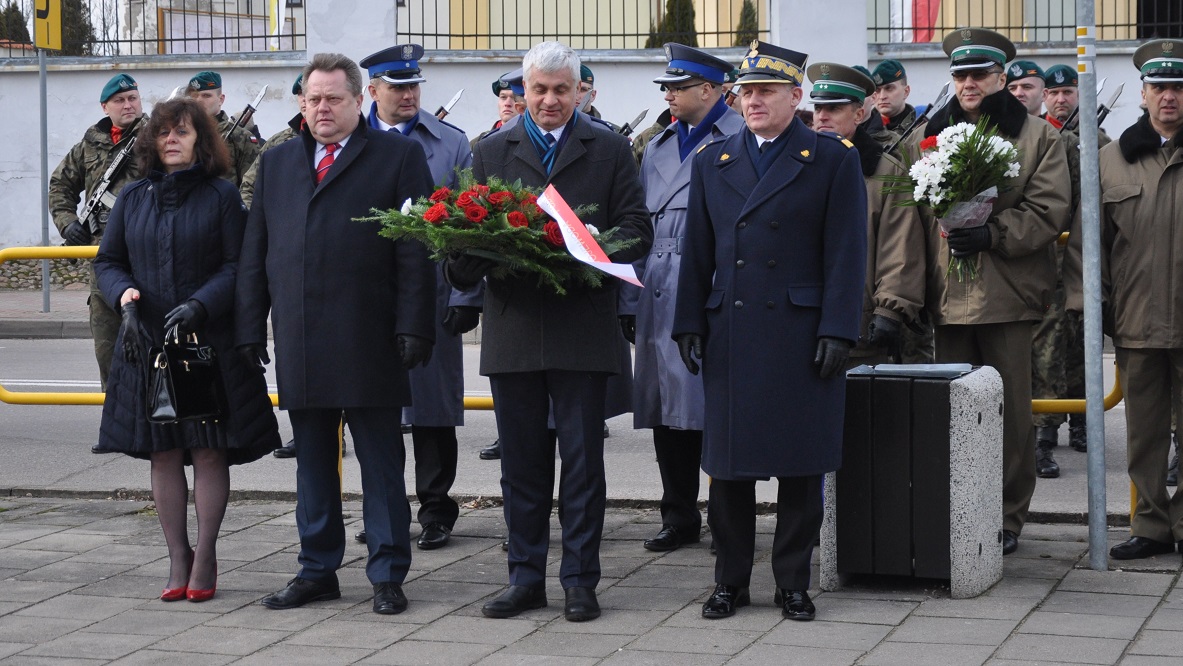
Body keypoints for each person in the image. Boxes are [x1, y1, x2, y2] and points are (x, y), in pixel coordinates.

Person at [446, 41, 651, 622]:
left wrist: (587, 247)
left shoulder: (609, 149)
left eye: (562, 89)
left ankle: (581, 580)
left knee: (584, 464)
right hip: (514, 329)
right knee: (521, 465)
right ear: (522, 92)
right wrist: (463, 260)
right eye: (539, 89)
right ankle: (525, 578)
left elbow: (638, 229)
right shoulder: (490, 151)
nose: (550, 100)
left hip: (583, 327)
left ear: (580, 91)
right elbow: (470, 228)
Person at [672, 40, 867, 622]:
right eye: (746, 91)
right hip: (732, 328)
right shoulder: (714, 160)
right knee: (729, 470)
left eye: (766, 91)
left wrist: (838, 328)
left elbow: (846, 253)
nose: (752, 101)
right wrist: (688, 322)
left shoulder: (832, 158)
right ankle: (729, 580)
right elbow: (696, 252)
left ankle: (792, 582)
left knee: (800, 468)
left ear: (795, 96)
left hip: (801, 333)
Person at [236, 52, 437, 615]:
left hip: (371, 339)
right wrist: (250, 326)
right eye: (312, 99)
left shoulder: (398, 156)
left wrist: (416, 325)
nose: (322, 108)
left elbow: (417, 250)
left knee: (379, 463)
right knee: (313, 463)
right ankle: (316, 568)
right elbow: (258, 251)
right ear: (301, 104)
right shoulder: (277, 163)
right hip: (301, 338)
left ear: (358, 100)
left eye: (333, 98)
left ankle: (388, 573)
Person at [92, 97, 280, 603]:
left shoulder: (221, 196)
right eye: (163, 132)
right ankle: (177, 555)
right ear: (152, 141)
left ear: (200, 139)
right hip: (148, 342)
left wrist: (201, 304)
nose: (171, 139)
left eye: (183, 131)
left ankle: (208, 554)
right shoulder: (131, 198)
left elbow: (237, 264)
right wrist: (124, 297)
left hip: (205, 343)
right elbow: (108, 262)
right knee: (164, 453)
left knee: (208, 450)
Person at [919, 28, 1070, 556]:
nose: (968, 83)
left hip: (1008, 293)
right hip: (947, 295)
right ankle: (957, 507)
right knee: (949, 414)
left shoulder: (1036, 135)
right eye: (960, 75)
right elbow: (914, 214)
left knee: (1008, 414)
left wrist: (993, 234)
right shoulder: (935, 133)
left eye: (979, 74)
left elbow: (1050, 209)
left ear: (1001, 78)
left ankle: (1007, 515)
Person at [355, 43, 481, 550]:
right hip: (366, 294)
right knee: (373, 406)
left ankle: (435, 510)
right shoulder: (350, 141)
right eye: (397, 86)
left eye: (413, 85)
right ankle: (384, 508)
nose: (408, 94)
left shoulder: (449, 143)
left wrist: (466, 292)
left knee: (432, 408)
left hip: (432, 288)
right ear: (373, 91)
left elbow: (472, 218)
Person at [1065, 40, 1183, 560]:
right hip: (1137, 319)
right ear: (1143, 93)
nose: (1169, 98)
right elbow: (1090, 247)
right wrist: (1092, 310)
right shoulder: (1110, 161)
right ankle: (1151, 526)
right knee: (1145, 433)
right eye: (1159, 88)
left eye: (1178, 88)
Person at [626, 43, 744, 553]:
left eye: (679, 87)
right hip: (656, 285)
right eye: (667, 88)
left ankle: (726, 518)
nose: (670, 96)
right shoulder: (658, 145)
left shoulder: (741, 138)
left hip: (711, 282)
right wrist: (629, 300)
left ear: (711, 90)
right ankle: (678, 514)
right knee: (665, 410)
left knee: (716, 406)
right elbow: (639, 225)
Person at [808, 63, 926, 368]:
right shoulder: (795, 166)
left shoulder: (885, 171)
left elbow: (900, 247)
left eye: (833, 109)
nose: (822, 116)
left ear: (859, 114)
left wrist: (889, 310)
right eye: (818, 107)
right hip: (800, 322)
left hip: (859, 327)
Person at [49, 73, 146, 400]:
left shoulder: (155, 138)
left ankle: (155, 425)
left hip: (147, 259)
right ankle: (117, 423)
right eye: (120, 100)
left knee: (152, 349)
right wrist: (67, 223)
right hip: (103, 264)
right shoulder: (88, 147)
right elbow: (60, 186)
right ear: (106, 106)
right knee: (108, 351)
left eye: (133, 97)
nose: (128, 104)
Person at [241, 74, 305, 212]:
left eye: (309, 92)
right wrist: (258, 224)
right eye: (300, 94)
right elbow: (248, 186)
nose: (305, 99)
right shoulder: (278, 141)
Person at [187, 71, 261, 187]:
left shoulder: (241, 138)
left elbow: (251, 187)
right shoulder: (180, 136)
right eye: (194, 96)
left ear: (221, 99)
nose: (199, 101)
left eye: (206, 95)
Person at [471, 69, 526, 149]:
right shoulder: (479, 143)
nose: (507, 104)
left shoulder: (533, 140)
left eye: (514, 98)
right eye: (503, 97)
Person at [872, 59, 914, 132]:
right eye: (877, 90)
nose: (882, 97)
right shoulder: (861, 130)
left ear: (906, 92)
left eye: (889, 88)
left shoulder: (919, 129)